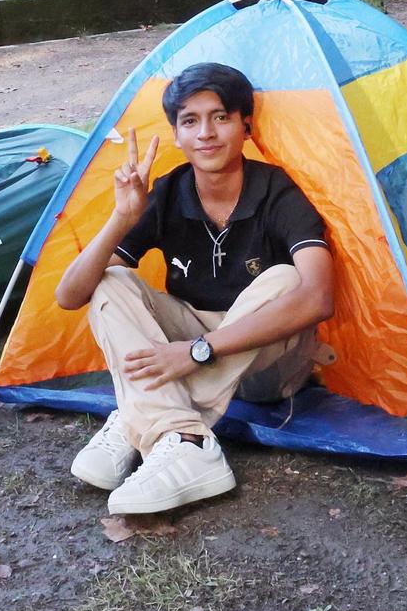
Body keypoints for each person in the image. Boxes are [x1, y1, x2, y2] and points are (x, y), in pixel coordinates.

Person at [53, 62, 335, 516]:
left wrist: (197, 351)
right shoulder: (167, 193)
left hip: (267, 368)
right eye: (190, 120)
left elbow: (318, 297)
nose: (206, 133)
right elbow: (69, 295)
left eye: (220, 117)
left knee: (286, 278)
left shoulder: (276, 190)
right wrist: (121, 218)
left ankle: (139, 419)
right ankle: (183, 440)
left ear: (246, 126)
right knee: (109, 280)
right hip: (187, 345)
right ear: (176, 135)